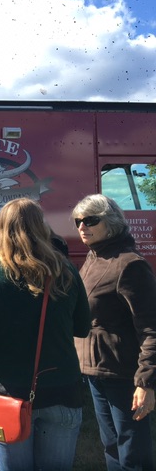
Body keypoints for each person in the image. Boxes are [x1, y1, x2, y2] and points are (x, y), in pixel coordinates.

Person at [0, 198, 91, 470]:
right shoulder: (65, 270)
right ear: (42, 228)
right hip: (62, 389)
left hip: (7, 391)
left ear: (0, 229)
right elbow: (82, 328)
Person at [72, 194, 156, 470]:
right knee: (111, 446)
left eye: (90, 220)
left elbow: (151, 328)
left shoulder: (129, 264)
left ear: (110, 222)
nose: (82, 226)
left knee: (132, 451)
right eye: (77, 221)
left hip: (123, 373)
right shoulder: (94, 258)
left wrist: (146, 382)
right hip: (96, 371)